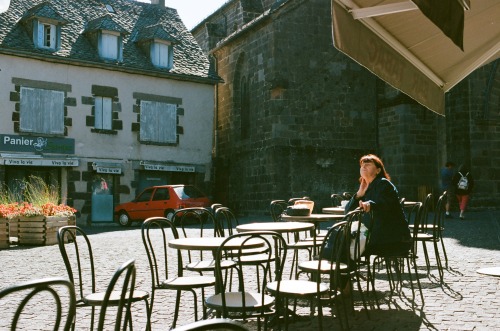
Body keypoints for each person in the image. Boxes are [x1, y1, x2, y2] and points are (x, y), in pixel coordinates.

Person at [344, 154, 411, 256]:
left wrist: (370, 204)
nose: (364, 166)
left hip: (394, 240)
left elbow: (383, 203)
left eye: (368, 164)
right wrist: (358, 194)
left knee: (346, 246)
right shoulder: (367, 188)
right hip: (377, 237)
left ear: (378, 171)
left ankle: (343, 269)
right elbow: (348, 212)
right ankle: (342, 269)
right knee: (344, 242)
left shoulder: (384, 184)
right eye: (362, 165)